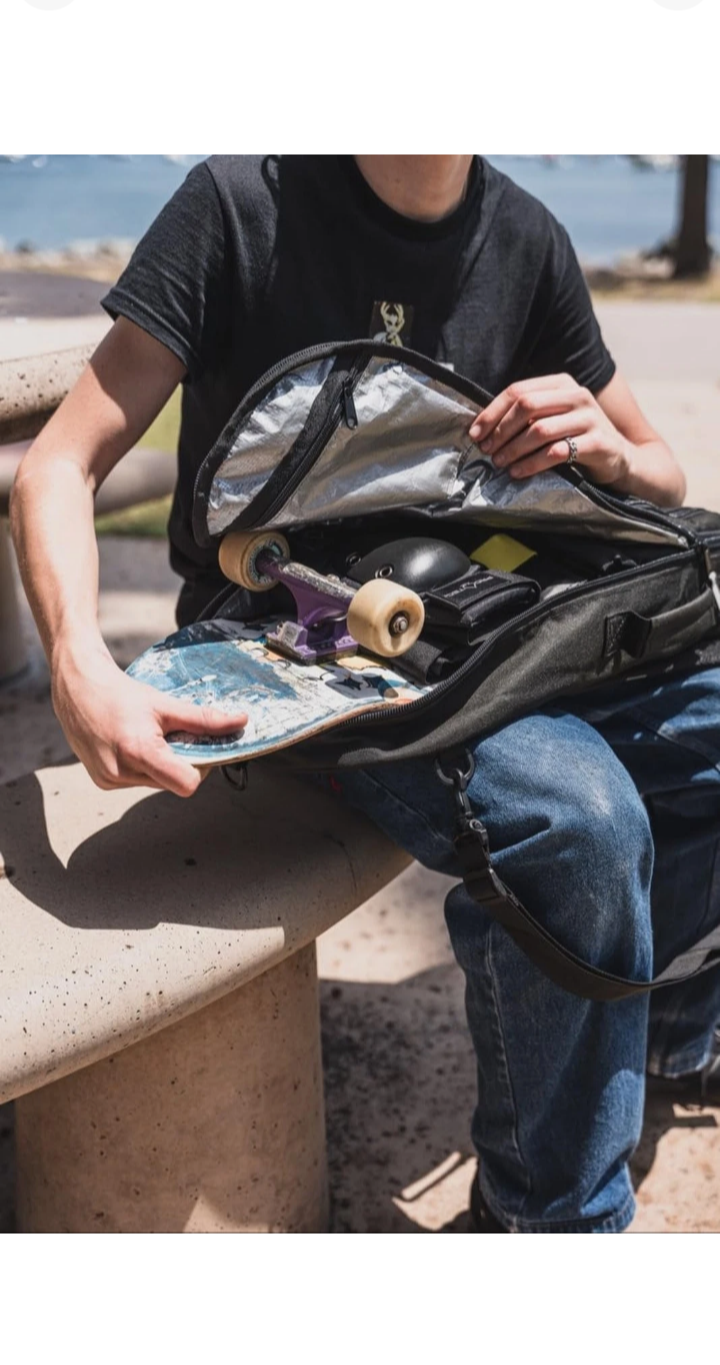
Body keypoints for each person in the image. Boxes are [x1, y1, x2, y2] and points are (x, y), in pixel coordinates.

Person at [10, 155, 720, 1233]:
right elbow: (59, 465)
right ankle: (554, 1225)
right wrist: (76, 663)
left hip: (493, 600)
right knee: (575, 818)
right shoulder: (238, 207)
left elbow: (661, 472)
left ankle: (674, 1020)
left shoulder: (523, 237)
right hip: (284, 638)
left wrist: (610, 452)